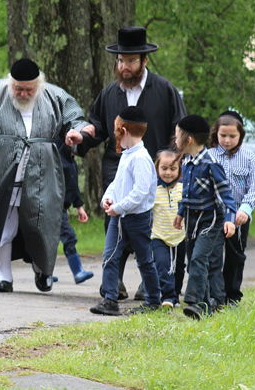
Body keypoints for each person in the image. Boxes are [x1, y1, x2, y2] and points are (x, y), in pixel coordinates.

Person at [0, 58, 88, 292]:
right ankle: (4, 276)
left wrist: (79, 131)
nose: (22, 93)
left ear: (38, 85)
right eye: (17, 88)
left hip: (42, 169)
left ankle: (43, 270)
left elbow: (76, 119)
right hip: (2, 168)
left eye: (28, 89)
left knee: (42, 222)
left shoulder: (55, 96)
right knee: (2, 221)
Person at [78, 26, 186, 300]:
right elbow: (98, 126)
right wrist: (81, 137)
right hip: (117, 166)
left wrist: (173, 160)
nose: (124, 66)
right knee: (114, 221)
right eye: (120, 61)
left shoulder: (164, 90)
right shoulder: (110, 93)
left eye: (131, 60)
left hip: (157, 169)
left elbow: (179, 128)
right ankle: (114, 284)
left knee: (151, 226)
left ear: (144, 61)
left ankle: (150, 283)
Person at [89, 107, 162, 316]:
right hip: (119, 216)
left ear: (123, 129)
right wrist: (108, 199)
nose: (113, 134)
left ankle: (153, 300)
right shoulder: (127, 155)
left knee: (145, 259)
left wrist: (119, 207)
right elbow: (117, 183)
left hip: (137, 219)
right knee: (110, 255)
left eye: (115, 129)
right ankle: (110, 299)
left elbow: (140, 193)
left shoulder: (140, 158)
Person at [173, 115, 237, 320]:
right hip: (192, 219)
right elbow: (186, 192)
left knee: (200, 258)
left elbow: (225, 194)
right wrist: (180, 213)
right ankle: (209, 303)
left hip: (210, 220)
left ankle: (194, 302)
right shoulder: (187, 162)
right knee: (193, 262)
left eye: (177, 136)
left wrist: (229, 219)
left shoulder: (211, 163)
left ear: (188, 139)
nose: (175, 140)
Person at [207, 111, 255, 307]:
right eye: (223, 136)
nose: (227, 140)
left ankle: (232, 296)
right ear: (216, 134)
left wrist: (245, 210)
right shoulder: (208, 156)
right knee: (212, 256)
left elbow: (254, 188)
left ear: (240, 136)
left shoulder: (249, 158)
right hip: (213, 216)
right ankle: (215, 296)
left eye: (232, 136)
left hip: (239, 217)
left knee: (235, 257)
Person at [150, 148, 186, 308]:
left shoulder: (184, 189)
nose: (168, 173)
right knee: (163, 266)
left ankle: (176, 295)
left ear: (179, 169)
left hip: (180, 236)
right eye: (164, 168)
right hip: (158, 236)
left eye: (173, 168)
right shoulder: (152, 191)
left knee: (179, 268)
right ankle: (168, 297)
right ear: (157, 168)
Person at [56, 139, 94, 284]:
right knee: (69, 237)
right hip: (54, 207)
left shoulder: (71, 161)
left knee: (52, 241)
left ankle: (44, 274)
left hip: (62, 208)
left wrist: (79, 207)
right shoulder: (59, 161)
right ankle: (77, 271)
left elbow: (74, 188)